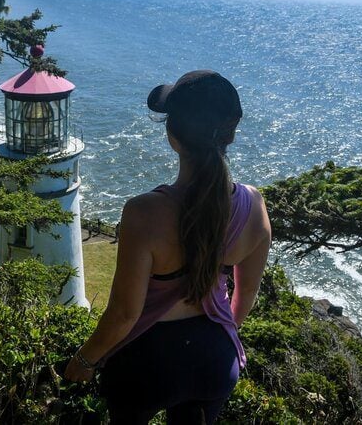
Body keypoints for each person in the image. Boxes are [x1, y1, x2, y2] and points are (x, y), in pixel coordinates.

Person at [64, 70, 271, 424]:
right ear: (230, 134)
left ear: (173, 136)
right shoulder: (254, 205)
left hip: (148, 362)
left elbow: (124, 315)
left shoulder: (144, 213)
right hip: (216, 359)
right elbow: (246, 293)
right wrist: (216, 338)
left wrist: (82, 362)